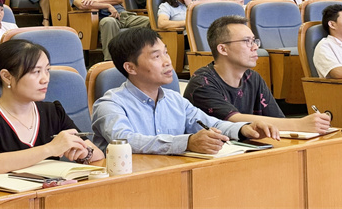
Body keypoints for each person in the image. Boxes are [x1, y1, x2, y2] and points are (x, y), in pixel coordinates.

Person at [91, 28, 276, 154]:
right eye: (156, 56)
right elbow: (124, 141)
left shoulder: (175, 100)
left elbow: (212, 124)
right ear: (130, 68)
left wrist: (244, 129)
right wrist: (186, 143)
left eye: (166, 52)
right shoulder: (110, 104)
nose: (167, 62)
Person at [0, 39, 104, 176]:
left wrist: (85, 153)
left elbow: (98, 155)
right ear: (7, 76)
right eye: (36, 72)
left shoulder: (53, 112)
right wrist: (50, 149)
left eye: (47, 70)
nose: (45, 79)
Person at [185, 16, 330, 133]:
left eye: (254, 41)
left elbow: (277, 119)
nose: (255, 47)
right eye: (247, 41)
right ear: (223, 49)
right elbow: (234, 120)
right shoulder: (202, 82)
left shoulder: (252, 77)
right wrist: (299, 124)